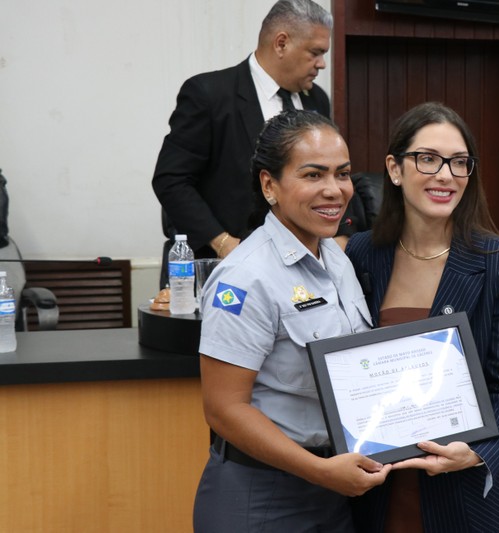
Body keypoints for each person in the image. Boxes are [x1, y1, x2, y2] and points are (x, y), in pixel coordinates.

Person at [345, 102, 499, 532]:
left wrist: (478, 452)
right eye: (428, 159)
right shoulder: (363, 253)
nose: (446, 175)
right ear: (394, 168)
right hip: (384, 488)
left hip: (475, 494)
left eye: (459, 163)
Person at [193, 110, 391, 532]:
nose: (334, 190)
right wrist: (319, 472)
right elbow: (224, 409)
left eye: (343, 174)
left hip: (333, 486)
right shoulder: (245, 277)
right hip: (263, 494)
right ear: (270, 185)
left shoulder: (335, 256)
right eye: (313, 175)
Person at [152, 0, 365, 288]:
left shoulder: (317, 99)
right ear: (281, 44)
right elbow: (171, 179)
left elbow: (331, 169)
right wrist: (224, 243)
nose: (322, 64)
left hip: (303, 270)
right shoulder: (210, 95)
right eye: (315, 53)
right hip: (225, 266)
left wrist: (339, 237)